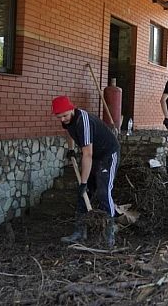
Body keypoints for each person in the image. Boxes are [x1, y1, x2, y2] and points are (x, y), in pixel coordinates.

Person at [51, 95, 120, 248]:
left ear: (72, 109)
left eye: (64, 115)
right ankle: (79, 232)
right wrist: (70, 149)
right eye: (59, 117)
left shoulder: (84, 122)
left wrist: (83, 182)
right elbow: (68, 131)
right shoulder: (68, 120)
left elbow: (87, 154)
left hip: (108, 154)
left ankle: (109, 234)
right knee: (83, 193)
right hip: (94, 154)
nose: (62, 119)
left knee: (103, 191)